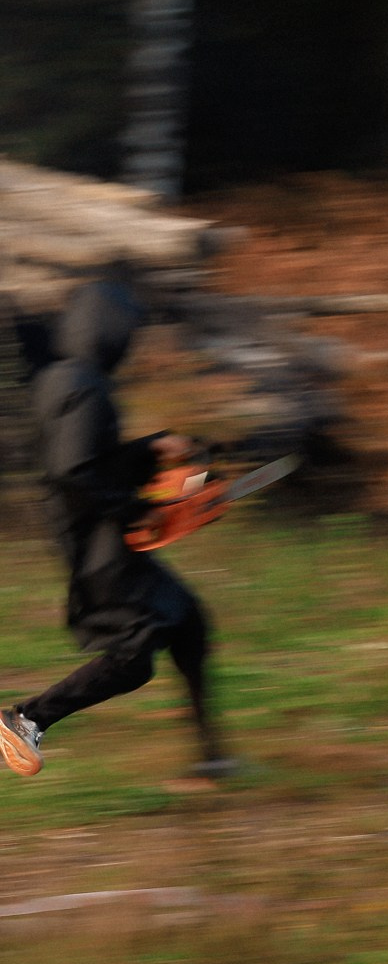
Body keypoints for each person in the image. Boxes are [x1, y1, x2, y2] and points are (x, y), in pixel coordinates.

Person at [0, 279, 231, 781]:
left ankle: (213, 758)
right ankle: (26, 718)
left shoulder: (71, 378)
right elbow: (73, 472)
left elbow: (91, 462)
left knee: (189, 622)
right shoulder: (81, 386)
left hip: (95, 532)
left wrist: (154, 447)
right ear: (107, 331)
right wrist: (134, 512)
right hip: (95, 540)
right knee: (133, 657)